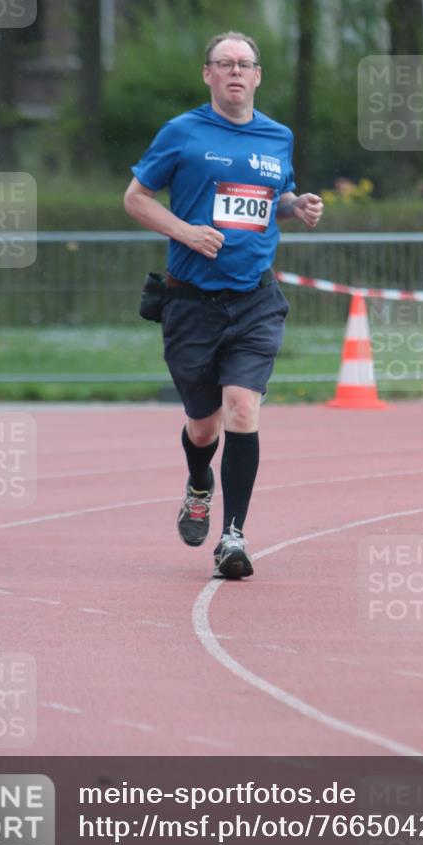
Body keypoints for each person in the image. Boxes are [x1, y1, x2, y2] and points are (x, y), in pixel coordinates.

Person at [124, 31, 323, 579]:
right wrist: (185, 232)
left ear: (258, 75)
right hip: (191, 303)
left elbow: (266, 200)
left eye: (245, 63)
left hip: (255, 299)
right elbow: (135, 198)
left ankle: (233, 537)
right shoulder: (183, 133)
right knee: (204, 425)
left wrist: (294, 205)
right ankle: (197, 483)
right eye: (224, 63)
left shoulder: (277, 136)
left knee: (242, 407)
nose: (235, 71)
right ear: (207, 74)